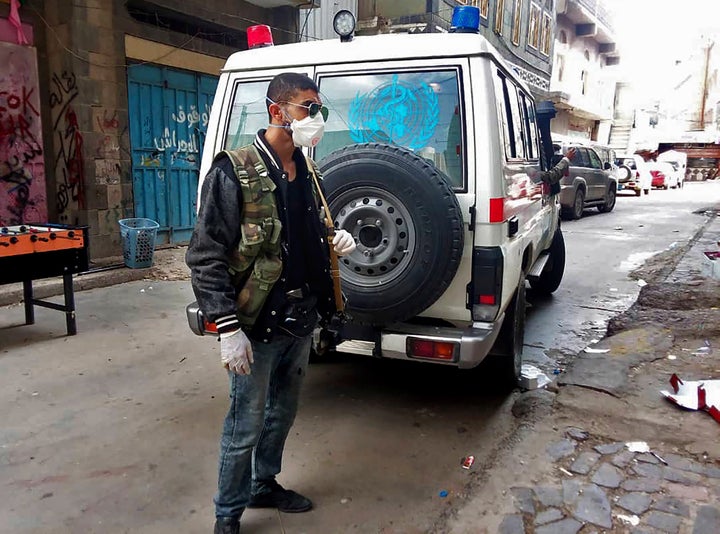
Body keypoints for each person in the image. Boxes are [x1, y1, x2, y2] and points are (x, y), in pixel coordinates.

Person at [186, 72, 356, 534]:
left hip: (300, 319)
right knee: (245, 424)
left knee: (282, 412)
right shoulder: (233, 171)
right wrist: (227, 328)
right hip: (255, 323)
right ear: (275, 111)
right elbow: (205, 256)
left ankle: (265, 483)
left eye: (319, 109)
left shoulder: (308, 171)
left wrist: (331, 241)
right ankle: (228, 513)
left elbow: (299, 237)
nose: (315, 118)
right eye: (307, 108)